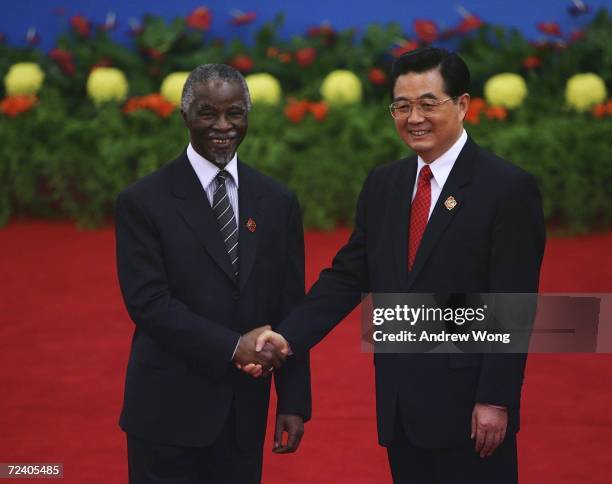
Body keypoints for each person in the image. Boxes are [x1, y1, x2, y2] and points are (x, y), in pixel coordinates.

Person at [244, 48, 545, 483]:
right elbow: (348, 276)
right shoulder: (385, 185)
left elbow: (514, 304)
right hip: (402, 407)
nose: (413, 117)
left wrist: (495, 400)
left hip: (470, 410)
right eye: (401, 106)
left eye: (427, 103)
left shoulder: (507, 189)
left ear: (461, 105)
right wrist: (286, 337)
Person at [115, 64, 311, 484]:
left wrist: (293, 401)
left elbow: (291, 305)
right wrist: (231, 347)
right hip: (166, 415)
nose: (223, 126)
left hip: (243, 418)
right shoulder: (143, 201)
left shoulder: (277, 202)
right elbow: (148, 304)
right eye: (208, 113)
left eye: (235, 113)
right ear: (185, 117)